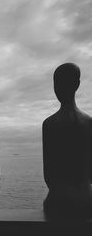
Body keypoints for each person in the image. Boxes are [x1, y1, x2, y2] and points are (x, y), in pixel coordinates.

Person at [42, 63, 92, 219]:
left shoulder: (50, 123)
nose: (57, 88)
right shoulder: (89, 122)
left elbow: (48, 175)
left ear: (76, 84)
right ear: (77, 84)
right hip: (87, 199)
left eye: (58, 83)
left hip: (58, 200)